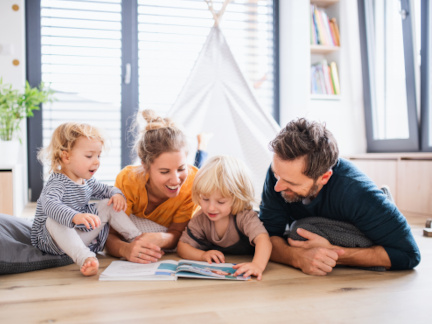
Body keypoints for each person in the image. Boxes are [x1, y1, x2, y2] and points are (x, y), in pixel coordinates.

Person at [259, 118, 421, 276]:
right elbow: (265, 237)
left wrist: (334, 254)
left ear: (324, 177)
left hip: (361, 219)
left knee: (299, 231)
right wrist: (296, 258)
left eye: (290, 183)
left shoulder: (357, 192)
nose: (277, 186)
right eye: (276, 174)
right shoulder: (280, 174)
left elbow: (409, 254)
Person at [31, 123, 143, 276]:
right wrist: (75, 217)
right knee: (53, 219)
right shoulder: (57, 182)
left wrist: (116, 194)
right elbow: (49, 204)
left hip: (77, 236)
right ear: (66, 156)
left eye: (98, 155)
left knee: (107, 204)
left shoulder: (87, 181)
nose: (96, 161)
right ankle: (86, 258)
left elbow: (106, 189)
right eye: (89, 156)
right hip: (52, 241)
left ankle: (137, 238)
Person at [105, 110, 201, 263]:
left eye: (182, 169)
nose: (176, 180)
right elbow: (109, 234)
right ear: (145, 166)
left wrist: (163, 238)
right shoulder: (129, 180)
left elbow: (178, 232)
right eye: (164, 172)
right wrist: (125, 250)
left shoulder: (192, 182)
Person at [177, 155, 272, 280]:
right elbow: (182, 246)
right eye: (205, 199)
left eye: (220, 202)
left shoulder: (244, 216)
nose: (211, 208)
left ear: (237, 199)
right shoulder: (201, 218)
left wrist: (257, 265)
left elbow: (264, 240)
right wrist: (202, 255)